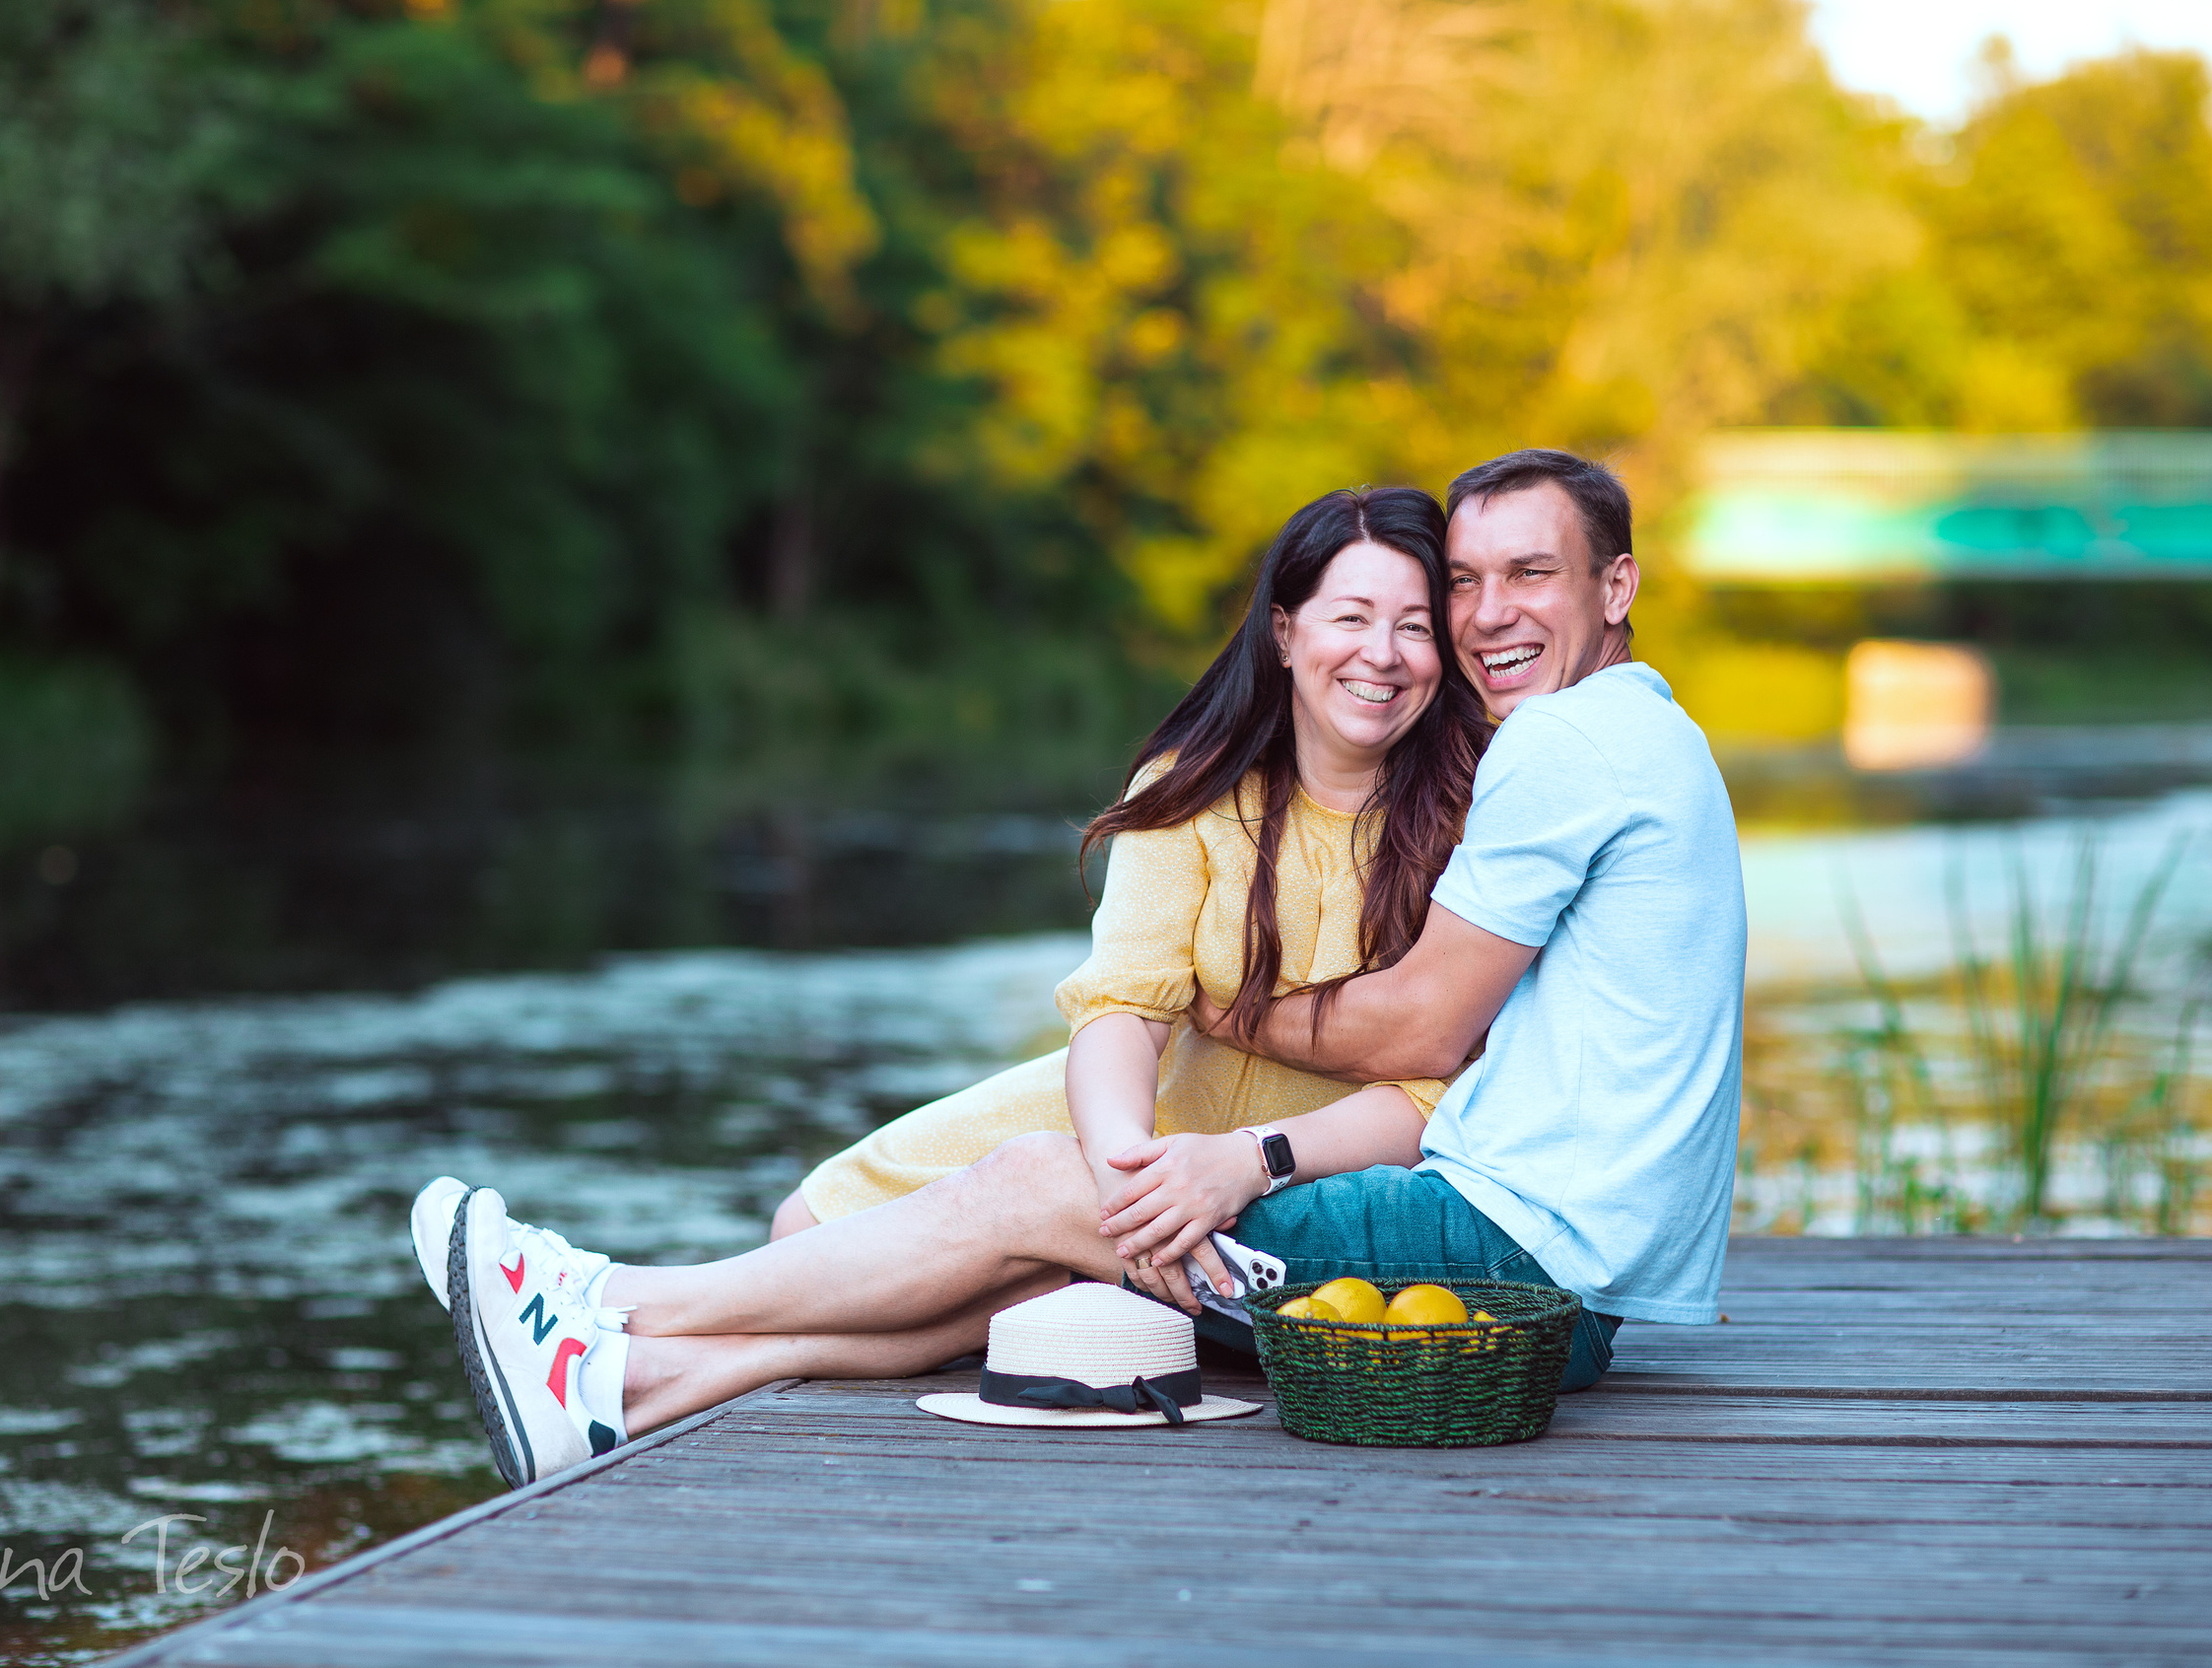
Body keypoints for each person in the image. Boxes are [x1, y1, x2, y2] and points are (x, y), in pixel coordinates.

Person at [414, 449, 1745, 1490]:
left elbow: (1435, 1038)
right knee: (977, 1246)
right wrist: (1137, 1160)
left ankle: (605, 1301)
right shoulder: (1601, 738)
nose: (1459, 625)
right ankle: (627, 1387)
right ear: (1283, 630)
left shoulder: (1531, 762)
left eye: (1518, 580)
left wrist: (1237, 1126)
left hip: (1488, 1248)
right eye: (1464, 583)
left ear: (1611, 587)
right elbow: (1126, 1006)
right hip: (1453, 1220)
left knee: (1041, 1203)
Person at [769, 484, 1486, 1294]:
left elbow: (1445, 1086)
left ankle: (627, 1323)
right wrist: (1122, 1177)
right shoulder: (1193, 789)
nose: (1382, 653)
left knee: (993, 1279)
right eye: (1350, 617)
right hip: (1136, 1125)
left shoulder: (1481, 817)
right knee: (807, 1223)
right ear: (1285, 632)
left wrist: (1252, 1157)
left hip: (1304, 1172)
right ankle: (625, 1355)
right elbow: (1120, 1012)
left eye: (1415, 626)